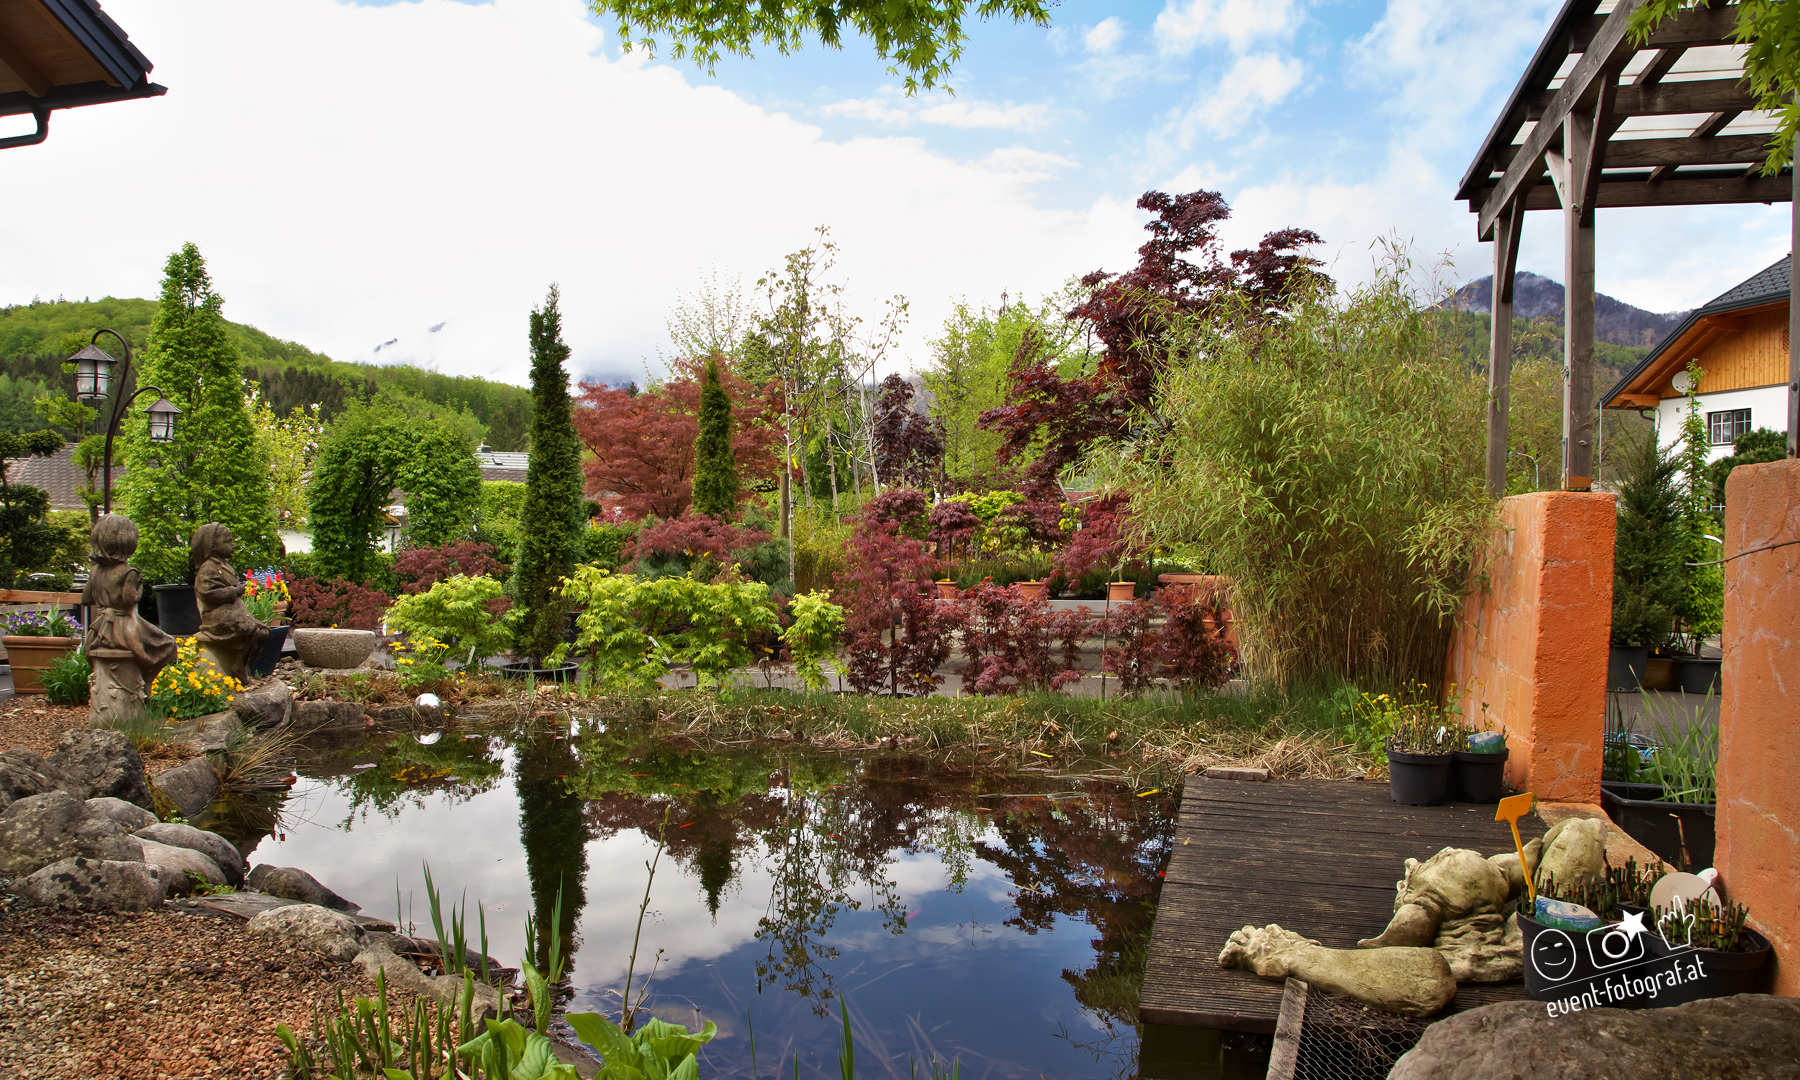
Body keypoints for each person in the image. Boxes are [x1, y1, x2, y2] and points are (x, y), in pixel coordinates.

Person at [82, 515, 177, 723]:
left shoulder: (95, 572)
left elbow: (86, 598)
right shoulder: (129, 571)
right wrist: (139, 585)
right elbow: (129, 599)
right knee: (167, 645)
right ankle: (147, 682)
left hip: (99, 629)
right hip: (125, 625)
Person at [191, 523, 269, 683]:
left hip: (231, 612)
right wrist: (234, 591)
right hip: (216, 616)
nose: (233, 545)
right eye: (228, 541)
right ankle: (238, 667)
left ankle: (242, 665)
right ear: (213, 545)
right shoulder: (208, 568)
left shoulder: (225, 566)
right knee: (248, 628)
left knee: (263, 632)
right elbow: (209, 593)